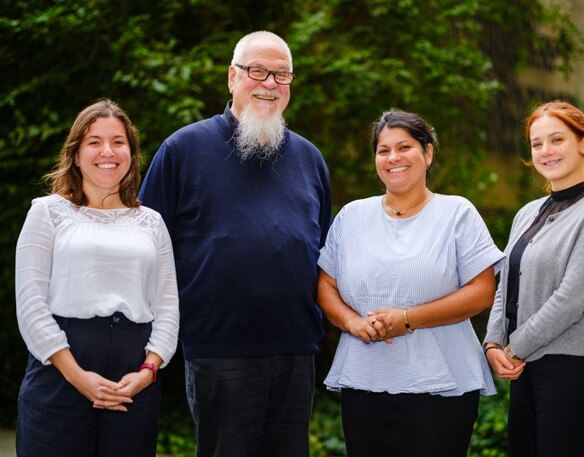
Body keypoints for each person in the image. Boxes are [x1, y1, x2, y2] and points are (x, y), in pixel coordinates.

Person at [139, 30, 332, 457]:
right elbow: (144, 250)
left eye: (281, 75)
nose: (269, 83)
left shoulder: (309, 159)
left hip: (296, 350)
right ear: (232, 77)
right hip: (219, 351)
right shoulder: (182, 150)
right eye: (257, 70)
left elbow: (324, 256)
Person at [317, 109, 504, 457]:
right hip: (365, 381)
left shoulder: (457, 213)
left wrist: (407, 320)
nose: (393, 158)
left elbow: (482, 291)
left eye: (404, 147)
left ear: (428, 152)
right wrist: (352, 322)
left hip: (441, 386)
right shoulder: (352, 217)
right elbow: (325, 285)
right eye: (383, 150)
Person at [15, 99, 180, 457]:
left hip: (133, 380)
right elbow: (30, 305)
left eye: (118, 142)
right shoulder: (47, 213)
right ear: (76, 154)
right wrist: (77, 376)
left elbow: (167, 306)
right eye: (94, 142)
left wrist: (149, 371)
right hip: (61, 369)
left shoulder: (151, 222)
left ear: (132, 154)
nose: (108, 151)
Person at [484, 100, 584, 457]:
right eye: (536, 144)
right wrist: (492, 344)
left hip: (575, 369)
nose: (545, 151)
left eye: (557, 139)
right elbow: (505, 283)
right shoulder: (527, 212)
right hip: (526, 367)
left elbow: (572, 299)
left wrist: (514, 348)